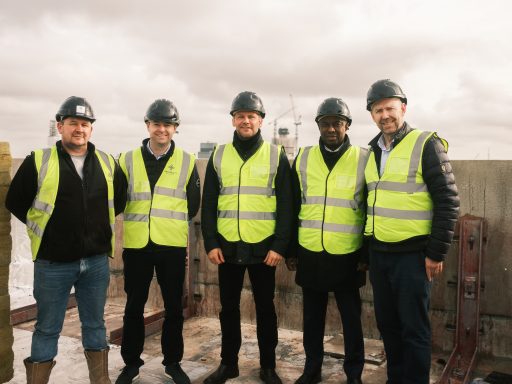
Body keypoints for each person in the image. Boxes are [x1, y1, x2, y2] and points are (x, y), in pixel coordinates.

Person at [5, 96, 126, 384]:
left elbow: (118, 200)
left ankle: (100, 380)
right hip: (53, 263)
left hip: (95, 262)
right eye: (73, 123)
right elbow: (16, 201)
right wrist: (48, 232)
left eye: (85, 124)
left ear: (91, 129)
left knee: (95, 325)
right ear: (61, 126)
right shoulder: (39, 161)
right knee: (47, 327)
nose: (79, 129)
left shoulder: (108, 162)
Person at [364, 79, 459, 384]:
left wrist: (435, 253)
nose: (385, 115)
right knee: (388, 327)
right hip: (380, 255)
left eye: (390, 107)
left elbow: (448, 201)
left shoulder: (425, 143)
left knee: (414, 329)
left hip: (413, 257)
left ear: (403, 108)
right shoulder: (372, 151)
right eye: (378, 110)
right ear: (372, 115)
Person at [201, 91, 293, 384]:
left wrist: (279, 246)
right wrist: (211, 243)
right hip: (227, 248)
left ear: (261, 121)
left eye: (251, 116)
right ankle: (229, 365)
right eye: (240, 116)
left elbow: (287, 206)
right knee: (228, 309)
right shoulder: (219, 154)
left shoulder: (276, 155)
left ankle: (268, 366)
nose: (245, 121)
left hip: (263, 248)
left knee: (266, 309)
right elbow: (209, 204)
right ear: (233, 120)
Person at [115, 99, 200, 384]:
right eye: (156, 124)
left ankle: (173, 362)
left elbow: (193, 204)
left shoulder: (187, 162)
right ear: (147, 125)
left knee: (174, 307)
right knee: (133, 307)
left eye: (167, 125)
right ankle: (131, 364)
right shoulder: (126, 160)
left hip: (171, 247)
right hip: (138, 245)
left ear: (175, 128)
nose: (161, 129)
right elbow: (116, 200)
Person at [287, 98, 367, 384]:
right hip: (310, 251)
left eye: (337, 123)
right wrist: (291, 249)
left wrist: (365, 255)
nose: (331, 128)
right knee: (311, 319)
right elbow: (294, 204)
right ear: (318, 126)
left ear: (347, 126)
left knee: (352, 320)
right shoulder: (304, 157)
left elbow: (371, 207)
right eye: (325, 123)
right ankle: (312, 369)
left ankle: (354, 373)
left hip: (348, 253)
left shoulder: (364, 158)